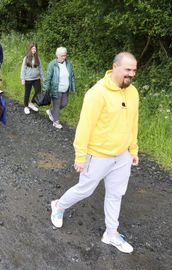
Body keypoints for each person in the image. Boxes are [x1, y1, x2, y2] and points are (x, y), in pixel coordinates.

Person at [50, 52, 139, 254]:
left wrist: (133, 149)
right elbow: (84, 128)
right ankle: (59, 206)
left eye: (134, 70)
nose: (131, 74)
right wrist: (80, 157)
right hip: (98, 154)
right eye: (128, 69)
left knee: (116, 194)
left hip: (122, 155)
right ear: (115, 67)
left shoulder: (133, 92)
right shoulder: (97, 94)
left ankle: (111, 233)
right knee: (85, 189)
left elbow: (132, 123)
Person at [43, 47, 76, 129]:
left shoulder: (68, 64)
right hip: (56, 89)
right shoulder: (52, 64)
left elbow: (71, 76)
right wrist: (45, 89)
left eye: (65, 55)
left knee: (64, 103)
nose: (64, 57)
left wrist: (72, 86)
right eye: (62, 55)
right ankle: (56, 122)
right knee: (57, 105)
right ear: (57, 55)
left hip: (65, 89)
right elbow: (48, 78)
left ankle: (51, 111)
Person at [20, 42, 43, 115]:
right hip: (28, 79)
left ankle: (31, 103)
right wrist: (22, 79)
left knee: (38, 91)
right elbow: (23, 69)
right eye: (32, 48)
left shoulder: (37, 58)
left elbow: (40, 68)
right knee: (27, 93)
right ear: (30, 49)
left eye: (35, 49)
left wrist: (43, 77)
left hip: (36, 78)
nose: (34, 50)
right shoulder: (26, 58)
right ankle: (26, 107)